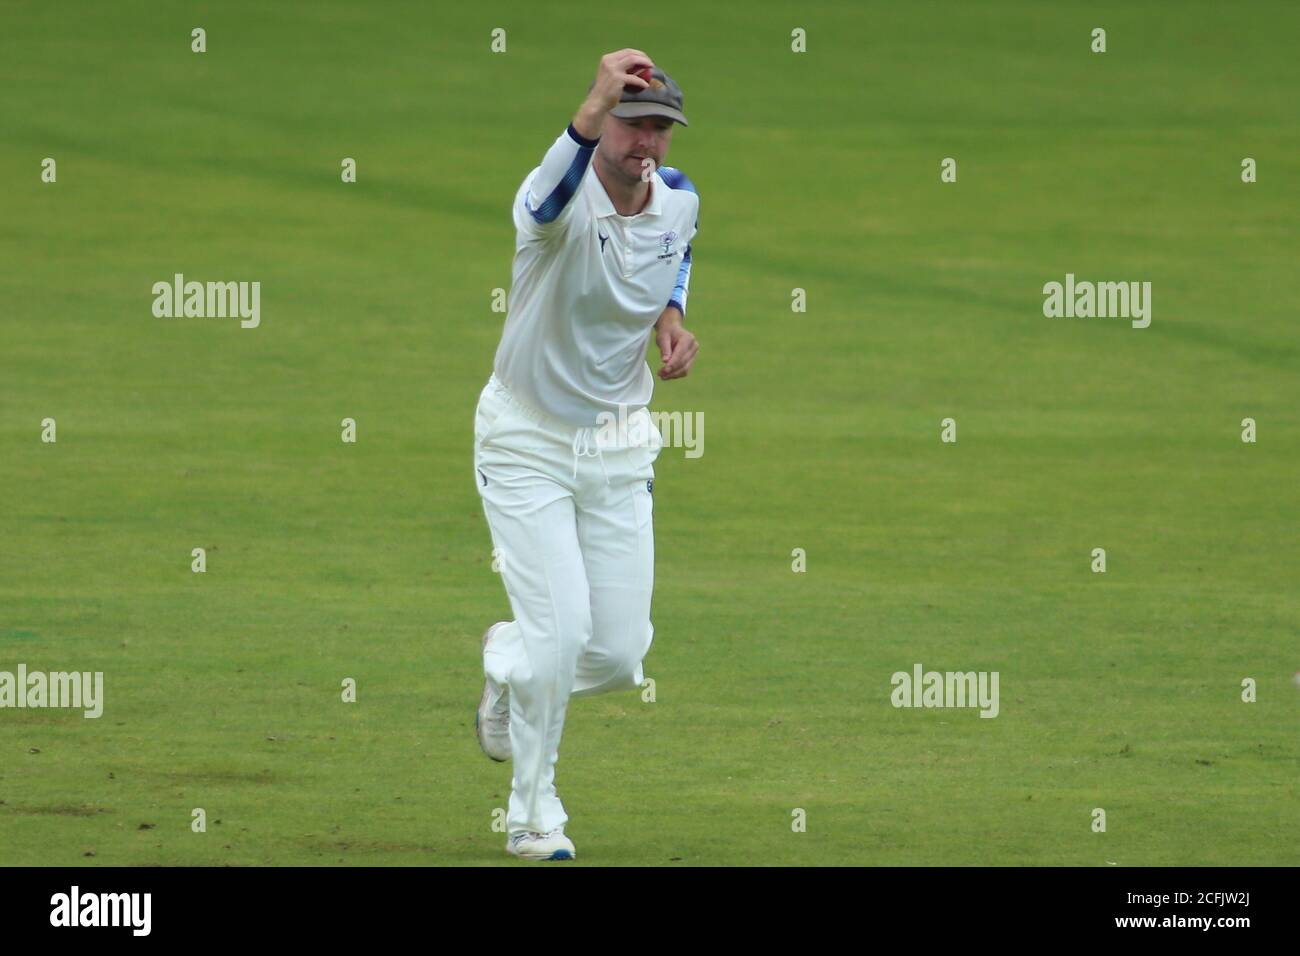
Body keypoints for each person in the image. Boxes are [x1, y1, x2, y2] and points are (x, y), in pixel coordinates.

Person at [472, 49, 700, 861]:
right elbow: (544, 203)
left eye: (660, 130)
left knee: (616, 653)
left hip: (618, 446)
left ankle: (507, 661)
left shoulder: (678, 202)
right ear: (603, 124)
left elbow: (676, 253)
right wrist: (592, 101)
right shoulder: (555, 203)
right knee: (563, 637)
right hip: (525, 437)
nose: (648, 143)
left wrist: (670, 319)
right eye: (634, 124)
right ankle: (533, 817)